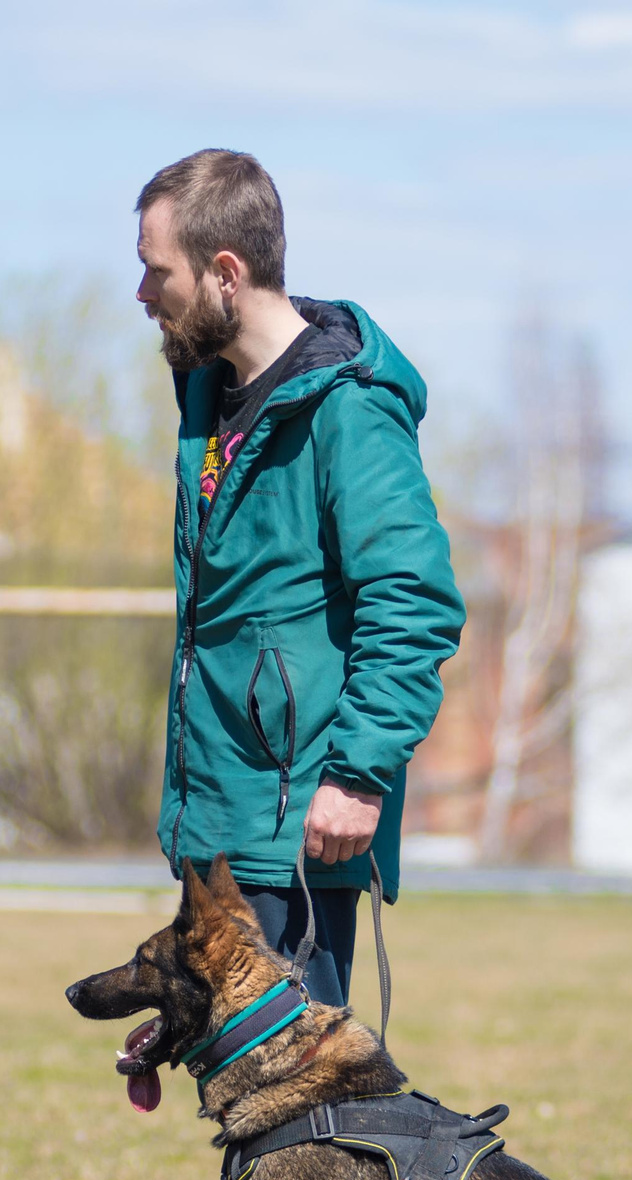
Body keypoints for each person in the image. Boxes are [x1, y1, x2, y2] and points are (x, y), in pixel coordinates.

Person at [134, 148, 465, 1013]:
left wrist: (357, 777)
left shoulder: (349, 410)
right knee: (244, 1099)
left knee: (303, 1103)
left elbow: (414, 601)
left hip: (299, 831)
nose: (142, 295)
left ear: (225, 273)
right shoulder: (209, 398)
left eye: (155, 271)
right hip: (218, 823)